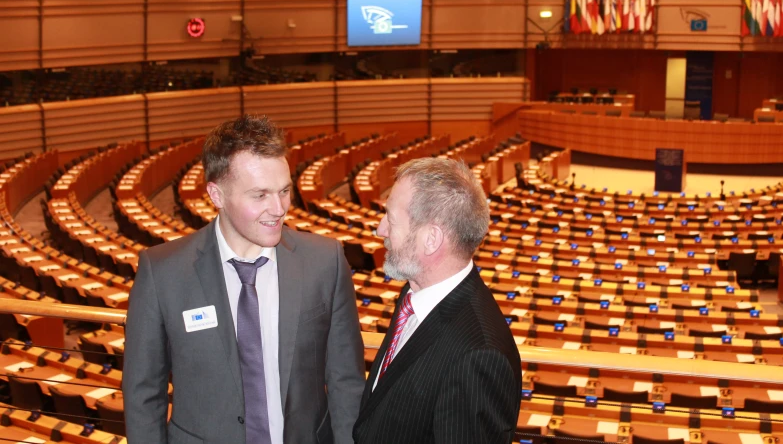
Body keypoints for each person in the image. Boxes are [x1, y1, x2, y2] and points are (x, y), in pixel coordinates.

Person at [123, 115, 364, 444]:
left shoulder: (325, 261)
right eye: (260, 195)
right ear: (217, 195)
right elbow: (143, 395)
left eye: (284, 191)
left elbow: (346, 383)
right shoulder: (162, 272)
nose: (278, 208)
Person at [353, 157, 521, 444]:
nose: (380, 229)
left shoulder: (479, 356)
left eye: (390, 219)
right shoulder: (415, 294)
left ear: (431, 239)